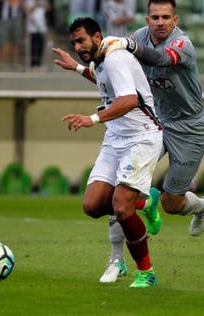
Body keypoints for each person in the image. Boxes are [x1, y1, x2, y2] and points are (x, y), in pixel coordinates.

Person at [90, 0, 204, 282]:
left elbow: (160, 58)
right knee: (122, 190)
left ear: (175, 20)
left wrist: (129, 45)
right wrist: (82, 67)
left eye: (166, 17)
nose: (160, 23)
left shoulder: (183, 44)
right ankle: (116, 260)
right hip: (154, 123)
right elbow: (115, 73)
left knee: (173, 204)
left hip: (190, 128)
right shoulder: (139, 36)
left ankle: (203, 206)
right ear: (147, 20)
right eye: (155, 17)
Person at [53, 17, 163, 288]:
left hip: (142, 138)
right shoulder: (101, 59)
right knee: (91, 206)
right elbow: (104, 82)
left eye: (81, 40)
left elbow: (129, 99)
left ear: (97, 36)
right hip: (116, 137)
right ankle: (145, 202)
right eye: (74, 43)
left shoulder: (115, 57)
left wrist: (90, 119)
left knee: (121, 207)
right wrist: (76, 68)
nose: (78, 46)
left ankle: (146, 272)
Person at [0, 0, 26, 71]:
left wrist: (17, 1)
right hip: (4, 18)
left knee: (16, 42)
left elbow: (24, 1)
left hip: (16, 18)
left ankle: (16, 64)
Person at [24, 0, 50, 71]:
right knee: (33, 47)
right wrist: (35, 4)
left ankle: (39, 64)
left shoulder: (43, 1)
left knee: (40, 47)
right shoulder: (28, 0)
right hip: (32, 28)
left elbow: (48, 8)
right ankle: (32, 64)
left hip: (41, 28)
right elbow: (27, 10)